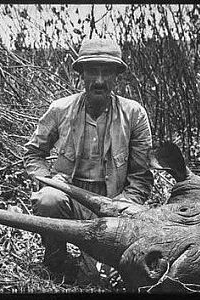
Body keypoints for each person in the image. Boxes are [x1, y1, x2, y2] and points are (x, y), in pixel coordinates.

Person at [24, 37, 153, 286]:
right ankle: (56, 260)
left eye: (107, 72)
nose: (100, 80)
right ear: (81, 75)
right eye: (93, 71)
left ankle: (96, 264)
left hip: (113, 203)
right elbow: (33, 154)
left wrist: (123, 207)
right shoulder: (60, 109)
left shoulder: (134, 114)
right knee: (48, 200)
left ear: (117, 76)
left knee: (97, 280)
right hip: (69, 197)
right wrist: (50, 181)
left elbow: (141, 176)